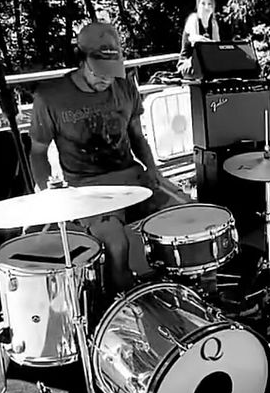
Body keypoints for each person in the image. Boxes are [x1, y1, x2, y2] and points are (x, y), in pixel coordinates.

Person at [29, 21, 186, 296]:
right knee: (116, 243)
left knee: (190, 216)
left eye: (112, 72)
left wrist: (153, 170)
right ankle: (123, 307)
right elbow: (38, 152)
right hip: (87, 187)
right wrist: (49, 198)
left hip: (131, 175)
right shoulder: (50, 97)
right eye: (100, 72)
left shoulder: (125, 87)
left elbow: (137, 136)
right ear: (81, 59)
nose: (107, 80)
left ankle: (185, 293)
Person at [177, 0, 220, 75]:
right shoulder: (193, 19)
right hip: (187, 63)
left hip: (206, 64)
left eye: (209, 4)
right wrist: (208, 42)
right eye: (203, 4)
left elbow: (217, 45)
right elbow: (195, 40)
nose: (206, 7)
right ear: (198, 5)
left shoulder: (213, 23)